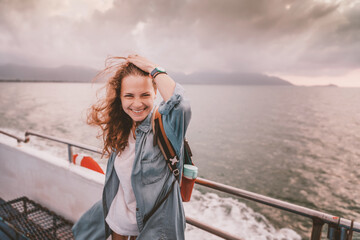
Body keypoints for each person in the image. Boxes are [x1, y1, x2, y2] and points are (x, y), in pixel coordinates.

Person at [72, 55, 191, 240]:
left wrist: (154, 68)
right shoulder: (122, 128)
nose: (137, 104)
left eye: (145, 95)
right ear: (120, 98)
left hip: (152, 222)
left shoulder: (164, 129)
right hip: (120, 211)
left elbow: (181, 105)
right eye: (129, 96)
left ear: (155, 95)